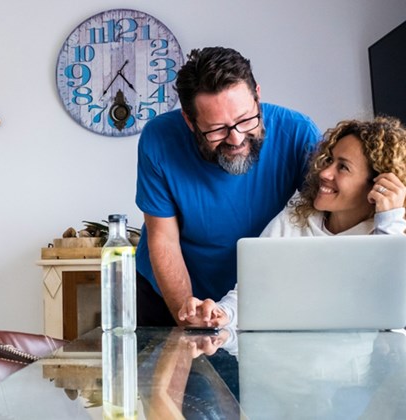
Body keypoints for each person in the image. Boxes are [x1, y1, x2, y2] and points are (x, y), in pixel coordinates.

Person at [135, 46, 321, 326]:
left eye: (246, 119)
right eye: (217, 129)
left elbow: (322, 224)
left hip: (262, 291)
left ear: (257, 95)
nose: (236, 139)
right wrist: (189, 317)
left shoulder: (298, 133)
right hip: (168, 293)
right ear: (189, 120)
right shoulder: (158, 139)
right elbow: (164, 239)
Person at [179, 116, 406, 327]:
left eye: (343, 167)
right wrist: (220, 314)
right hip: (288, 358)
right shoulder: (298, 213)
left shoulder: (389, 231)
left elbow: (389, 312)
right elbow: (252, 292)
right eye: (329, 160)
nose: (325, 173)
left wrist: (388, 223)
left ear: (377, 184)